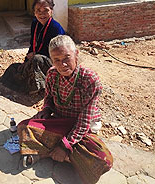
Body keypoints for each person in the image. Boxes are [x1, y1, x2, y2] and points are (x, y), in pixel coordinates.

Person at [17, 35, 113, 184]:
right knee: (23, 126)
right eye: (56, 60)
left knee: (103, 159)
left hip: (82, 125)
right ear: (51, 60)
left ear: (76, 54)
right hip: (60, 119)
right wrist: (46, 110)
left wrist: (64, 146)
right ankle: (67, 157)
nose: (62, 65)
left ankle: (47, 153)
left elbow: (84, 120)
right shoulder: (52, 74)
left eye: (67, 58)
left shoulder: (90, 79)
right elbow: (48, 98)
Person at [0, 0, 65, 94]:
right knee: (14, 68)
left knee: (36, 59)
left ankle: (42, 86)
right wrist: (26, 62)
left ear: (51, 10)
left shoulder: (55, 28)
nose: (42, 14)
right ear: (34, 12)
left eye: (46, 10)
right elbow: (33, 44)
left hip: (54, 63)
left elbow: (58, 53)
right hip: (38, 59)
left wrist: (36, 55)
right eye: (38, 10)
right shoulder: (35, 23)